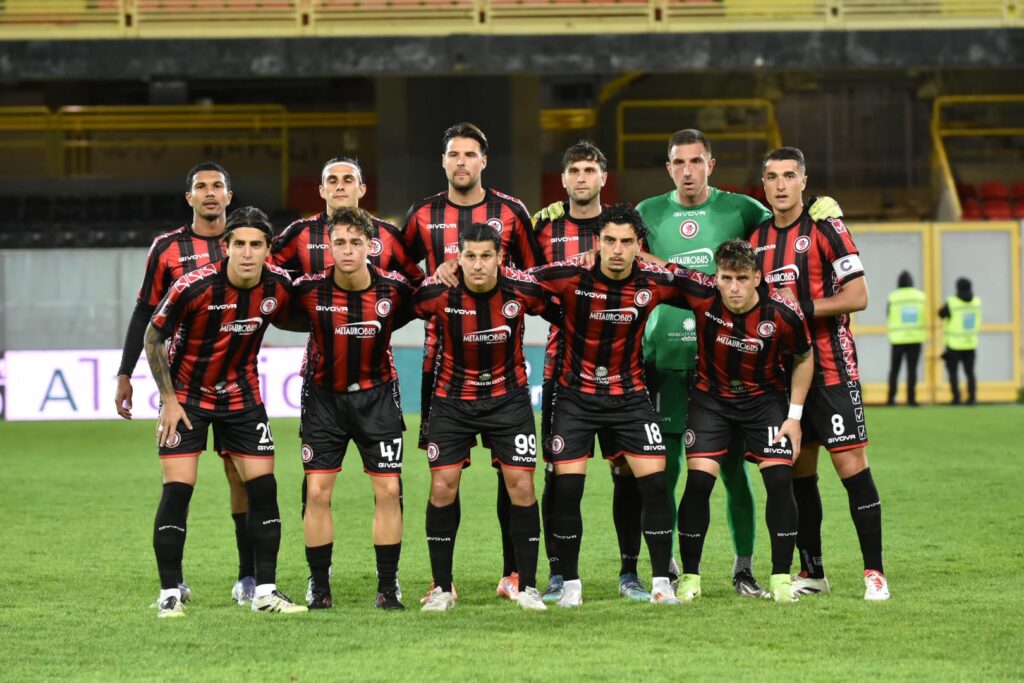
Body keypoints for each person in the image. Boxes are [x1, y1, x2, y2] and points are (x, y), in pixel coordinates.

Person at [634, 129, 842, 596]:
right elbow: (623, 250)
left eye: (696, 161)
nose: (688, 171)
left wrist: (821, 209)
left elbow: (788, 220)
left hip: (733, 366)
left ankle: (744, 568)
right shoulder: (647, 211)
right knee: (666, 470)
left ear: (711, 165)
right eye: (679, 162)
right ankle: (670, 567)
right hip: (666, 362)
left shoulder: (742, 209)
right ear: (668, 168)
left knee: (734, 473)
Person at [145, 206, 306, 617]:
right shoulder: (193, 286)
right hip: (187, 398)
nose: (248, 253)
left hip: (242, 398)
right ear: (226, 246)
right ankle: (169, 593)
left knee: (263, 490)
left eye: (256, 245)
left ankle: (264, 591)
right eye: (240, 244)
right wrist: (168, 400)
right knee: (178, 489)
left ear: (268, 249)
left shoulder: (278, 285)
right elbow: (153, 336)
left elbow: (310, 310)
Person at [403, 122, 541, 600]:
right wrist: (435, 275)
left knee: (514, 477)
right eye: (453, 155)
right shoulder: (422, 214)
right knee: (444, 481)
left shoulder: (512, 211)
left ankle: (515, 574)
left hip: (505, 370)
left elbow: (536, 273)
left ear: (484, 160)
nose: (461, 162)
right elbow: (402, 274)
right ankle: (442, 583)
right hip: (440, 368)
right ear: (443, 161)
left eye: (469, 154)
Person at [530, 203, 691, 607]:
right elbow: (515, 283)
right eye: (609, 241)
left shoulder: (653, 280)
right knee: (567, 489)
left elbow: (704, 287)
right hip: (575, 396)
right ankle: (570, 585)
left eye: (626, 242)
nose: (617, 250)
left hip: (629, 396)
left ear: (638, 245)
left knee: (654, 485)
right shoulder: (570, 274)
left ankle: (660, 583)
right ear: (597, 242)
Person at [114, 162, 257, 607]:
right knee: (179, 483)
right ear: (189, 198)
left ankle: (248, 577)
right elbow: (145, 312)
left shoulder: (247, 242)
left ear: (229, 196)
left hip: (236, 383)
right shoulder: (167, 248)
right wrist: (125, 372)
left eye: (218, 186)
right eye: (201, 187)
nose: (210, 193)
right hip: (182, 385)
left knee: (242, 479)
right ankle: (173, 583)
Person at [750, 146, 890, 601]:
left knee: (852, 469)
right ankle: (813, 572)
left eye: (789, 175)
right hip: (785, 376)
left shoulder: (827, 228)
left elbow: (858, 296)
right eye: (772, 177)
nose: (781, 185)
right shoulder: (756, 239)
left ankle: (875, 573)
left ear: (804, 182)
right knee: (798, 476)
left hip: (831, 370)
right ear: (763, 184)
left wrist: (802, 308)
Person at [412, 223, 551, 612]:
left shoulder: (521, 288)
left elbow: (561, 305)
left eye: (486, 256)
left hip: (508, 399)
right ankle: (442, 589)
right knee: (443, 487)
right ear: (458, 257)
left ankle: (527, 587)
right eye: (469, 256)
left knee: (521, 486)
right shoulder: (438, 291)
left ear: (499, 257)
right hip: (452, 400)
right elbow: (398, 306)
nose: (477, 264)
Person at [532, 140, 648, 602]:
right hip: (562, 370)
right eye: (574, 170)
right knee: (558, 474)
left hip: (624, 370)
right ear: (563, 179)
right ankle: (559, 574)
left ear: (604, 177)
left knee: (628, 470)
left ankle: (630, 572)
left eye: (590, 170)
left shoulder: (625, 225)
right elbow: (523, 284)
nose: (582, 177)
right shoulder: (542, 226)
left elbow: (652, 278)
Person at [669, 239, 813, 604]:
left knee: (779, 481)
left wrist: (794, 417)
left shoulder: (783, 312)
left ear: (757, 278)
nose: (734, 287)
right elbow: (660, 268)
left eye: (742, 279)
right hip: (711, 400)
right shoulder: (703, 293)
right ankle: (690, 578)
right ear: (716, 277)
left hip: (764, 401)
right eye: (727, 278)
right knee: (698, 483)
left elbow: (804, 357)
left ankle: (781, 579)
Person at [289, 207, 416, 610]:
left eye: (355, 242)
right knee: (316, 491)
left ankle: (388, 586)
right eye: (340, 242)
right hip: (323, 398)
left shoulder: (395, 289)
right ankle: (319, 585)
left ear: (370, 246)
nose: (347, 250)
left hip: (378, 397)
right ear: (328, 246)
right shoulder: (307, 289)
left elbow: (426, 303)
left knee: (389, 490)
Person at [939, 277, 981, 405]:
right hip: (970, 343)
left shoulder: (952, 302)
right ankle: (972, 398)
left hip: (954, 344)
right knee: (970, 372)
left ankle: (956, 398)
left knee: (953, 373)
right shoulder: (976, 302)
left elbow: (941, 314)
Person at [886, 271, 926, 406]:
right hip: (915, 338)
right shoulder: (920, 296)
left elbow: (888, 314)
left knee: (894, 370)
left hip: (897, 338)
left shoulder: (893, 297)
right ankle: (911, 399)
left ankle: (891, 399)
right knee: (912, 370)